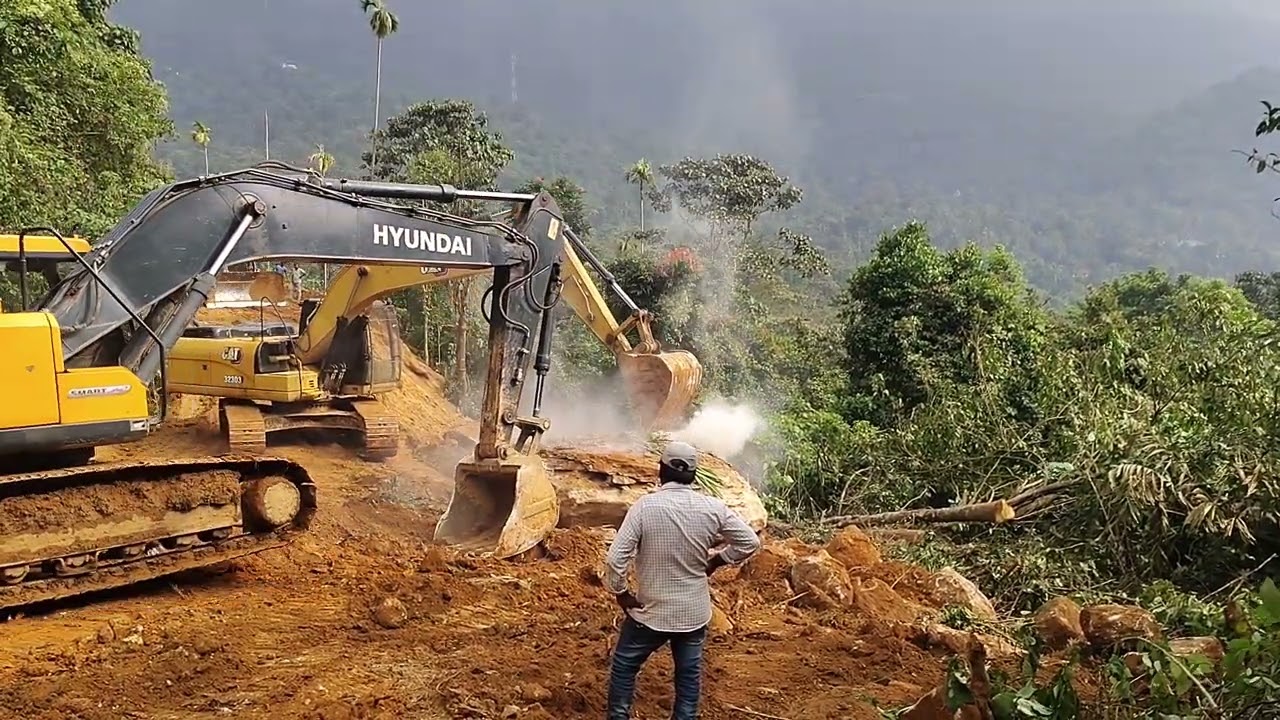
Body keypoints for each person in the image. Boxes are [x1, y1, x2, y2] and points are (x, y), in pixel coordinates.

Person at [603, 440, 761, 720]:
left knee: (625, 666)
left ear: (661, 470)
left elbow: (616, 559)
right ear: (694, 475)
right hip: (693, 614)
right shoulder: (713, 508)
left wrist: (621, 592)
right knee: (688, 678)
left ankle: (619, 716)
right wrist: (718, 560)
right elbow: (749, 542)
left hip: (650, 612)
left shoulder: (644, 507)